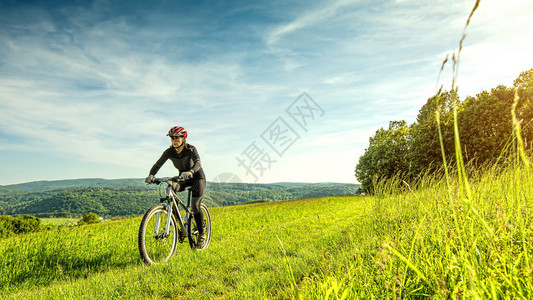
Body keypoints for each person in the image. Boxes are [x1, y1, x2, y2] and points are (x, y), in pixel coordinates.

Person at [145, 126, 207, 248]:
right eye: (172, 138)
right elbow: (158, 164)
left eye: (177, 137)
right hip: (182, 178)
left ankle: (201, 234)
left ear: (183, 138)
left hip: (197, 178)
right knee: (171, 187)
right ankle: (175, 221)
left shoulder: (191, 149)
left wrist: (191, 172)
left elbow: (198, 162)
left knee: (195, 205)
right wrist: (151, 175)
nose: (174, 140)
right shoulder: (169, 152)